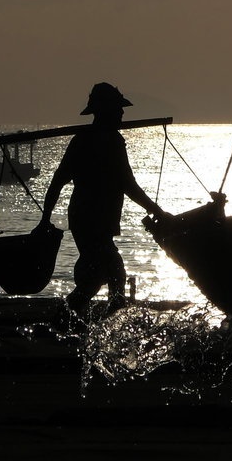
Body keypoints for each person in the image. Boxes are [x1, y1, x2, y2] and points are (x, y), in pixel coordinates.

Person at [36, 82, 169, 319]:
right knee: (109, 277)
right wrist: (156, 210)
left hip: (87, 219)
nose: (122, 113)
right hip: (91, 221)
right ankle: (66, 321)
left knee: (99, 277)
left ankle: (80, 322)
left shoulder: (85, 140)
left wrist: (46, 218)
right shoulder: (107, 142)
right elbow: (127, 184)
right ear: (106, 111)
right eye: (118, 109)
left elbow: (58, 182)